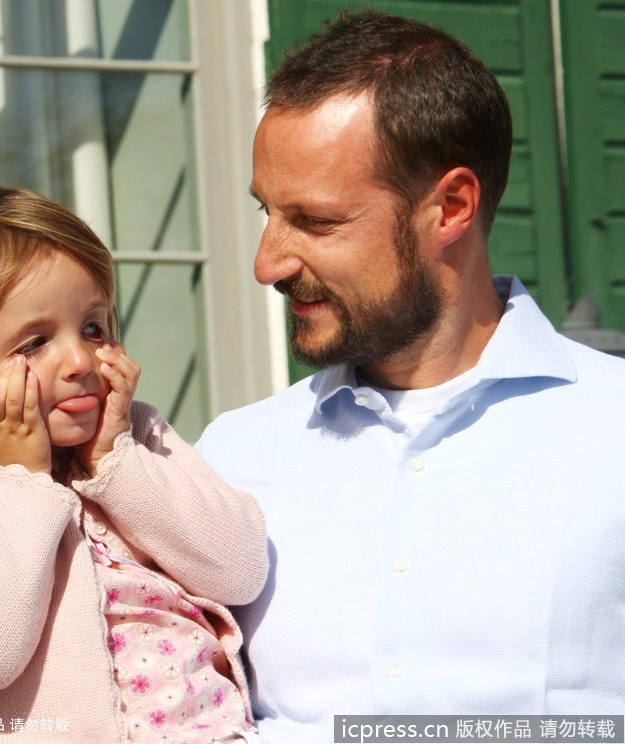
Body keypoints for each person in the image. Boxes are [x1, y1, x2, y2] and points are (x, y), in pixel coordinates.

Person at [196, 8, 625, 741]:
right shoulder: (226, 465)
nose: (268, 263)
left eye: (318, 221)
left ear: (451, 207)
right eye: (267, 212)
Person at [0, 186, 268, 743]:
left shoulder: (134, 437)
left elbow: (240, 570)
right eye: (33, 343)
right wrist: (22, 480)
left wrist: (115, 460)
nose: (79, 361)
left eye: (93, 328)